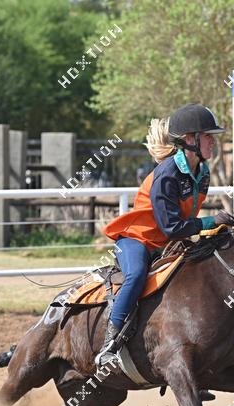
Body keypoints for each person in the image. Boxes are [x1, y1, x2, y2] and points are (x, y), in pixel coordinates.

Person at [95, 103, 225, 367]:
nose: (213, 141)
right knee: (136, 275)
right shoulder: (166, 174)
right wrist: (212, 221)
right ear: (190, 140)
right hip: (137, 240)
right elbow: (172, 227)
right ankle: (109, 344)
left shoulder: (202, 173)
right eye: (208, 135)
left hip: (168, 243)